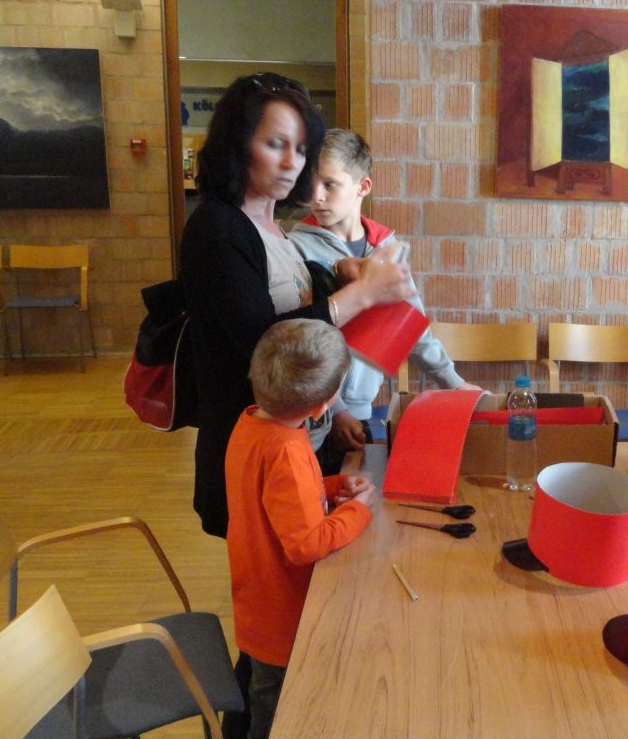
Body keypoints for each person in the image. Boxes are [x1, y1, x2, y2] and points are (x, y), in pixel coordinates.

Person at [180, 73, 414, 540]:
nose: (292, 162)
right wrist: (363, 293)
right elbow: (268, 343)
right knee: (275, 575)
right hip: (258, 455)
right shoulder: (217, 226)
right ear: (236, 144)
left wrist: (340, 275)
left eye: (302, 149)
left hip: (305, 445)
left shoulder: (274, 229)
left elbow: (297, 316)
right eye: (275, 144)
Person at [288, 129, 479, 465]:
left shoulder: (387, 249)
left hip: (360, 412)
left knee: (356, 491)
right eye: (311, 184)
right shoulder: (297, 247)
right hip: (312, 416)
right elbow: (301, 339)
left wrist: (453, 382)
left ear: (362, 187)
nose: (316, 196)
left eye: (330, 184)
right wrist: (336, 408)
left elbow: (411, 328)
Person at [225, 319, 374, 739]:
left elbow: (273, 497)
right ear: (322, 406)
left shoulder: (252, 425)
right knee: (276, 717)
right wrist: (357, 511)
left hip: (257, 601)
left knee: (259, 694)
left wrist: (332, 487)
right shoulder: (287, 450)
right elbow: (307, 544)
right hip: (284, 617)